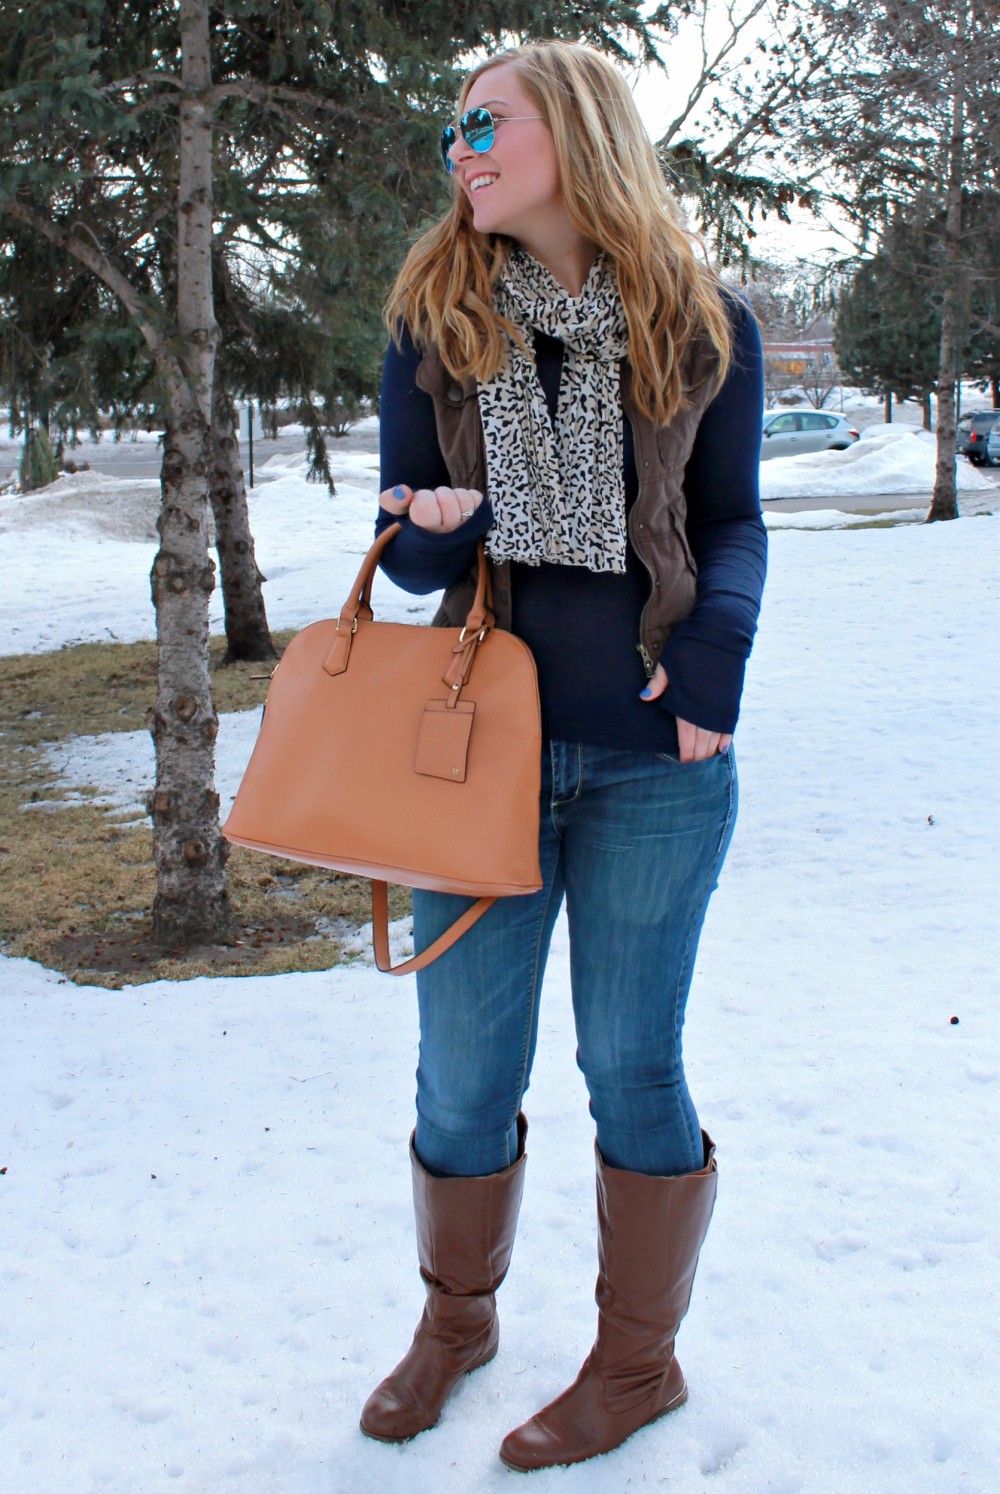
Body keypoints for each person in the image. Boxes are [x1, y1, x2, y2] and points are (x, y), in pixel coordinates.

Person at [361, 40, 766, 1472]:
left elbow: (729, 523)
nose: (461, 144)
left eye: (489, 120)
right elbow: (407, 561)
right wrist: (436, 526)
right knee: (462, 1077)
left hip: (656, 761)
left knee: (631, 1065)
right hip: (476, 759)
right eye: (451, 122)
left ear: (576, 132)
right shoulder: (434, 317)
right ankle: (456, 1323)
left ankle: (637, 1363)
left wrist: (718, 644)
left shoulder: (696, 317)